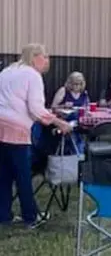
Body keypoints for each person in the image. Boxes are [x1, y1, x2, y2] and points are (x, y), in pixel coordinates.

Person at [0, 44, 72, 228]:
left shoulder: (7, 71)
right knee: (23, 175)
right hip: (17, 129)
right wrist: (59, 122)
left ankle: (4, 215)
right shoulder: (32, 75)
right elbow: (36, 108)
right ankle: (30, 216)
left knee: (4, 175)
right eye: (45, 57)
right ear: (34, 57)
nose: (48, 60)